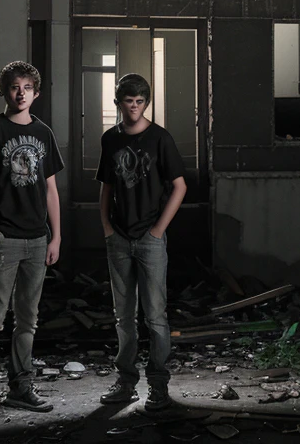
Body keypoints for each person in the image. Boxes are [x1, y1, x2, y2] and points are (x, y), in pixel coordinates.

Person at [0, 61, 63, 420]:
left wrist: (56, 237)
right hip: (6, 239)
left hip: (38, 240)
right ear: (4, 91)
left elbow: (51, 189)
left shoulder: (43, 133)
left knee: (28, 320)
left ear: (36, 93)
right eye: (14, 87)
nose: (20, 93)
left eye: (27, 87)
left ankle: (21, 389)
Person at [96, 72, 187, 411]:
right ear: (118, 103)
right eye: (128, 102)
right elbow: (105, 186)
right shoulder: (110, 140)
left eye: (139, 102)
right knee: (123, 317)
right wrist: (106, 226)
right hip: (118, 237)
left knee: (156, 317)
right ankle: (125, 383)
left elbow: (180, 186)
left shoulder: (160, 138)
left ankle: (159, 386)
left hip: (150, 238)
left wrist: (158, 230)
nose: (133, 108)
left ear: (146, 103)